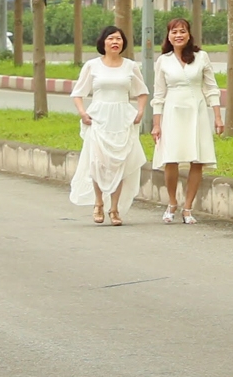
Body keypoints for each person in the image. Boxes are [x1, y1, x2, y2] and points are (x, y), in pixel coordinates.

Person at [70, 26, 149, 226]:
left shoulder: (130, 66)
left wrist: (140, 111)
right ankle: (98, 203)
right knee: (98, 162)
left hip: (122, 118)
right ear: (103, 42)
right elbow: (78, 93)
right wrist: (83, 113)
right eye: (111, 38)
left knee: (118, 162)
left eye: (119, 39)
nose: (115, 42)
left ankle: (114, 209)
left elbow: (142, 92)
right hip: (98, 118)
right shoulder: (92, 66)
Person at [151, 17, 220, 224]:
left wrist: (217, 116)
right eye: (174, 32)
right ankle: (172, 202)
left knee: (196, 159)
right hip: (172, 111)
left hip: (196, 111)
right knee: (170, 158)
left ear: (189, 35)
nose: (178, 35)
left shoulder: (201, 57)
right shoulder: (163, 61)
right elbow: (159, 94)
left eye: (182, 31)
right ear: (168, 36)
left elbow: (211, 88)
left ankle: (188, 207)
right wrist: (156, 124)